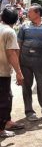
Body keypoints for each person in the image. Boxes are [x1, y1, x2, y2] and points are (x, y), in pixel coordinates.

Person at [0, 8, 24, 138]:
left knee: (6, 96)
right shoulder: (10, 32)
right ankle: (1, 129)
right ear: (16, 20)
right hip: (2, 72)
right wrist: (19, 73)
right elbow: (11, 54)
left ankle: (7, 122)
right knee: (4, 101)